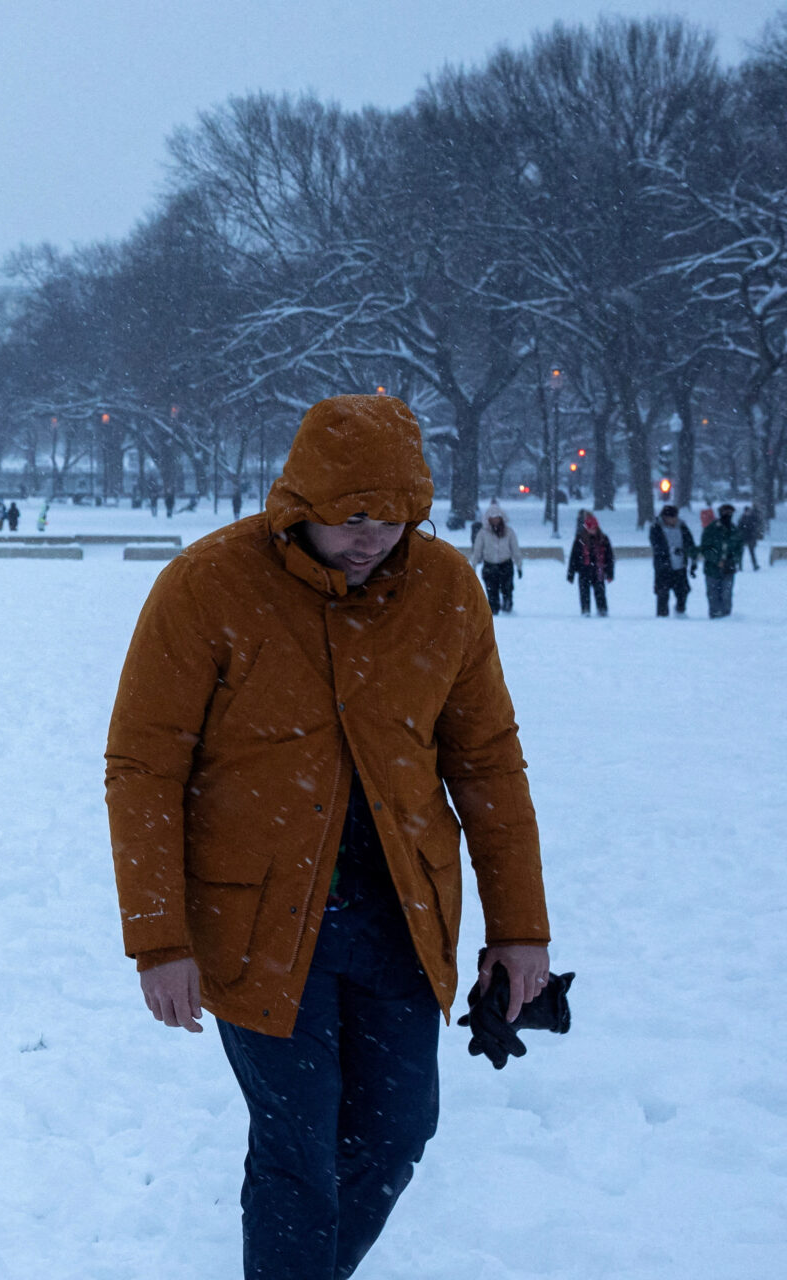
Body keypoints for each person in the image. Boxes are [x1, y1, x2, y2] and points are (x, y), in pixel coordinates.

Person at [107, 395, 553, 1280]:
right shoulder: (208, 585)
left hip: (398, 920)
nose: (373, 537)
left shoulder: (446, 589)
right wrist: (158, 940)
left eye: (394, 518)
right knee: (295, 1153)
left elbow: (489, 766)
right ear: (302, 500)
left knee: (396, 1135)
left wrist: (519, 928)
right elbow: (143, 769)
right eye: (352, 517)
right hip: (260, 926)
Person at [469, 502, 522, 614]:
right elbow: (477, 550)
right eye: (492, 518)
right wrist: (473, 565)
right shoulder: (483, 533)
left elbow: (515, 549)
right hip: (489, 566)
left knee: (507, 589)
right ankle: (494, 609)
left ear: (501, 518)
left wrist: (519, 565)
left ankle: (508, 607)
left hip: (505, 565)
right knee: (491, 590)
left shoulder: (509, 532)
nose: (495, 520)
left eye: (497, 517)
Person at [649, 504, 697, 617]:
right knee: (662, 592)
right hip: (663, 567)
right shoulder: (656, 528)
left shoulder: (682, 527)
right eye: (671, 518)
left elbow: (690, 543)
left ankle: (680, 611)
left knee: (683, 591)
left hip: (680, 566)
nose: (674, 520)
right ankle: (662, 615)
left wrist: (692, 559)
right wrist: (671, 551)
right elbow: (657, 546)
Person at [701, 503, 745, 618]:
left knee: (726, 594)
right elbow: (705, 548)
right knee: (713, 594)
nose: (727, 515)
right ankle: (715, 616)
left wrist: (732, 560)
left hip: (729, 569)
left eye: (730, 513)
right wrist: (716, 560)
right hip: (712, 569)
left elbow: (739, 548)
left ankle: (726, 617)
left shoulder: (735, 530)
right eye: (725, 512)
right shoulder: (711, 529)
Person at [568, 510, 615, 616]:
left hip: (598, 572)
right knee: (584, 594)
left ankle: (602, 610)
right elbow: (574, 557)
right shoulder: (580, 539)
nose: (592, 530)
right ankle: (585, 610)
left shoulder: (603, 539)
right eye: (590, 528)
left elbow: (609, 557)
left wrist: (610, 573)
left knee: (600, 593)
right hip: (584, 571)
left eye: (594, 528)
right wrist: (571, 574)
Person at [740, 504, 765, 572]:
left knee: (752, 552)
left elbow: (757, 525)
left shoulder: (752, 517)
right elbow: (739, 527)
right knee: (741, 552)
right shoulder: (743, 518)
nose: (747, 513)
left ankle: (755, 565)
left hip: (751, 537)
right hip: (744, 537)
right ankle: (740, 566)